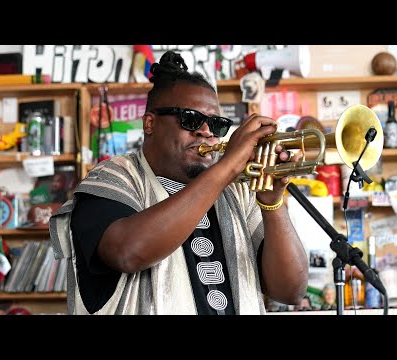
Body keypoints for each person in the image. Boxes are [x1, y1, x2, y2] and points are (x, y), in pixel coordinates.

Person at [49, 50, 308, 315]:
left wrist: (272, 203)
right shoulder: (113, 177)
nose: (206, 132)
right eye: (191, 119)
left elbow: (290, 290)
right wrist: (227, 166)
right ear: (149, 123)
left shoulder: (238, 190)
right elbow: (129, 252)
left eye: (216, 124)